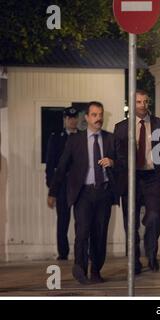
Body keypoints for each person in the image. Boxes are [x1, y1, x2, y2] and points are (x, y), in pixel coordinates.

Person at [47, 101, 119, 285]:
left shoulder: (110, 139)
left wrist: (113, 162)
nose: (99, 118)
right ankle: (79, 268)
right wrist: (53, 192)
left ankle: (96, 271)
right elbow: (62, 167)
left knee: (100, 234)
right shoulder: (75, 140)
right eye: (94, 115)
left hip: (103, 193)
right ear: (86, 118)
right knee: (82, 232)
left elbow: (124, 163)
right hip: (83, 194)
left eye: (100, 114)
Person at [114, 89, 160, 274]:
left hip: (153, 178)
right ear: (132, 103)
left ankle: (152, 254)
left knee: (154, 217)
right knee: (131, 223)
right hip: (131, 178)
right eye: (138, 102)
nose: (143, 105)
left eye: (145, 101)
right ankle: (134, 261)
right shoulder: (121, 127)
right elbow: (118, 155)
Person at [45, 106, 79, 260]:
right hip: (62, 186)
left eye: (74, 118)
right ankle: (63, 253)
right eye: (69, 118)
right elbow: (50, 164)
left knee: (82, 221)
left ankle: (81, 251)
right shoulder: (56, 137)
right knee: (63, 221)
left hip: (79, 185)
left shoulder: (82, 136)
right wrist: (52, 189)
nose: (72, 121)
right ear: (64, 120)